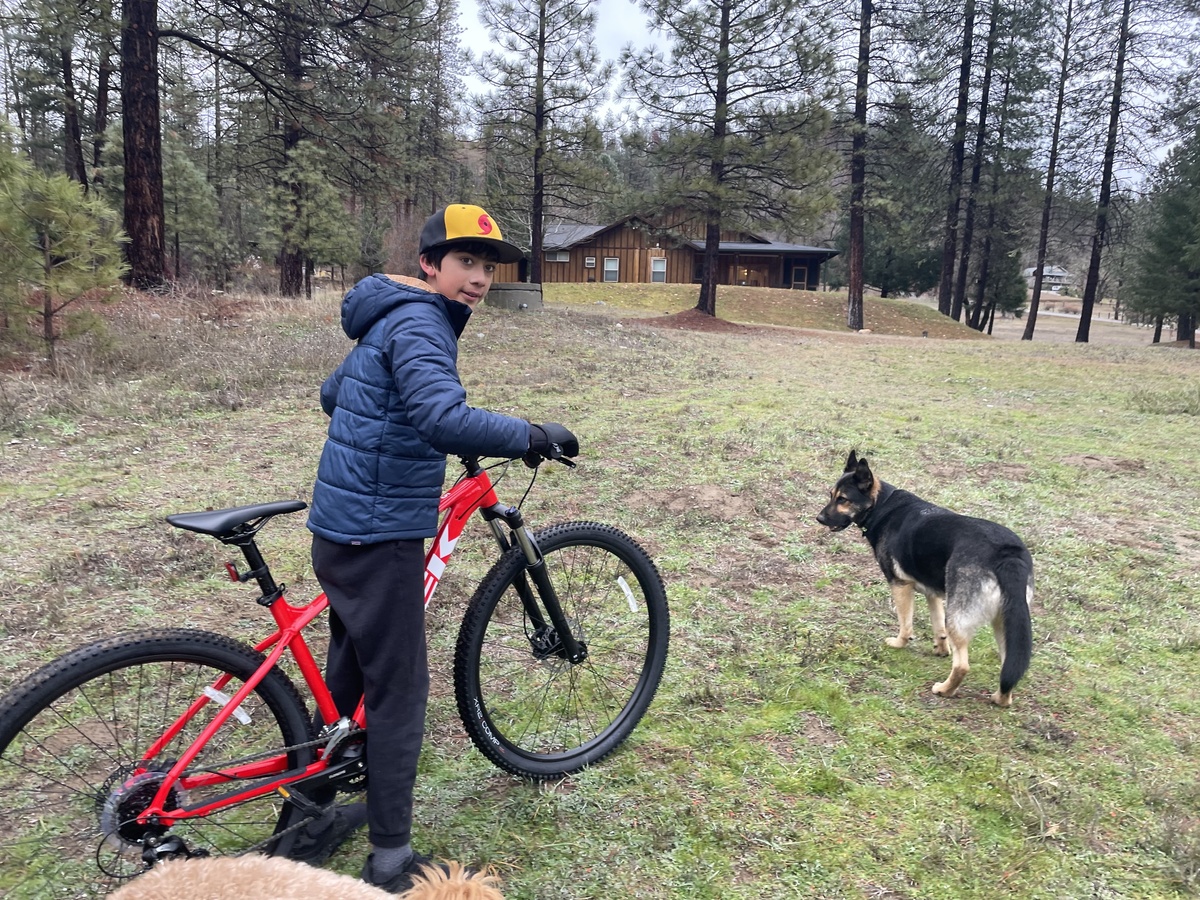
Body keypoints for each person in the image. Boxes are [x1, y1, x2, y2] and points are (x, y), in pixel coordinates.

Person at [292, 204, 577, 891]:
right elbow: (440, 416)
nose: (478, 278)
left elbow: (337, 394)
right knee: (400, 691)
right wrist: (531, 434)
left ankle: (307, 824)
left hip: (338, 526)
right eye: (465, 262)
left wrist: (388, 429)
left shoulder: (389, 314)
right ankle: (390, 859)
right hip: (378, 530)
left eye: (487, 266)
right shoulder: (421, 319)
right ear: (430, 264)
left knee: (348, 681)